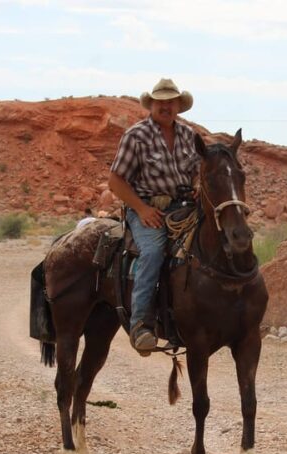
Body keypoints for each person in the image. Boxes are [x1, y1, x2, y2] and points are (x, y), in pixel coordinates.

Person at [108, 78, 200, 354]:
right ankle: (140, 325)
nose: (166, 106)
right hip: (148, 209)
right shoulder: (136, 136)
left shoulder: (188, 135)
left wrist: (197, 186)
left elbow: (198, 170)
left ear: (178, 106)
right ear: (152, 105)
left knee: (219, 241)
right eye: (161, 101)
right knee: (153, 252)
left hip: (184, 208)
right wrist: (141, 209)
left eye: (170, 101)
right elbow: (115, 181)